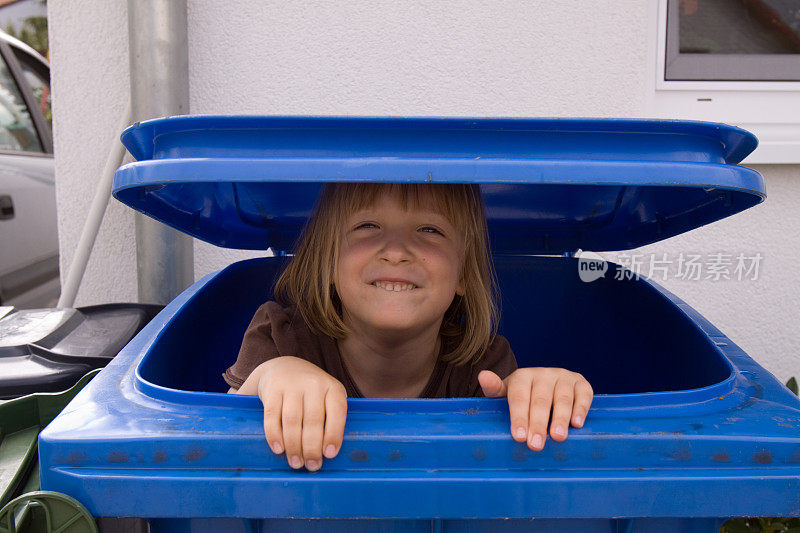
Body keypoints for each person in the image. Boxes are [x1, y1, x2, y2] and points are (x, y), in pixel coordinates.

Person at [225, 182, 593, 472]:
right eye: (367, 225)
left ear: (463, 273)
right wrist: (273, 375)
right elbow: (217, 444)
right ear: (329, 263)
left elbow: (512, 463)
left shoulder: (482, 368)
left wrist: (538, 394)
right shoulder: (281, 335)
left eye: (429, 229)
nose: (396, 250)